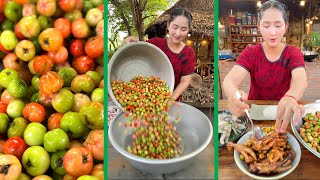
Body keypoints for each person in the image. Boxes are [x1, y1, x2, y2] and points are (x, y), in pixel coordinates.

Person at [222, 0, 308, 133]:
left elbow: (300, 80)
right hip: (254, 115)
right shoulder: (251, 52)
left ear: (286, 27)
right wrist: (233, 96)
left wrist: (291, 97)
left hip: (284, 112)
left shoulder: (293, 52)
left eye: (278, 25)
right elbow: (229, 81)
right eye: (266, 26)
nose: (272, 32)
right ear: (258, 26)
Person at [125, 8, 196, 101]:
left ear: (188, 30)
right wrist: (129, 40)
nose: (178, 33)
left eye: (183, 29)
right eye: (175, 27)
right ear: (168, 25)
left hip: (172, 100)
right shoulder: (156, 43)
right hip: (146, 97)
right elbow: (139, 50)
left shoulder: (188, 53)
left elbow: (185, 81)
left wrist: (170, 100)